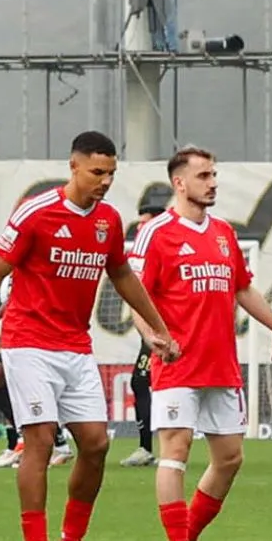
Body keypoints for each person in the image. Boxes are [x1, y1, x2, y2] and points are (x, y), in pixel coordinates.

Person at [0, 130, 179, 541]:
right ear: (74, 166)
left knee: (96, 444)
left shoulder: (108, 221)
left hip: (75, 345)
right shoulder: (37, 213)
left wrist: (157, 326)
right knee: (40, 441)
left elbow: (122, 276)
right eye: (97, 172)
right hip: (28, 343)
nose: (104, 181)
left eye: (111, 173)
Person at [130, 146, 272, 541]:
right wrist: (151, 336)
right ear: (179, 182)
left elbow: (243, 288)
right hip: (178, 362)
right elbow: (135, 295)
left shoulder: (223, 233)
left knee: (230, 458)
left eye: (215, 174)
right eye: (204, 175)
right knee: (176, 450)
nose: (213, 182)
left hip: (220, 363)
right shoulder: (156, 233)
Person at [0, 236, 73, 471]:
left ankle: (54, 445)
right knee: (0, 381)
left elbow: (11, 303)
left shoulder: (18, 268)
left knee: (1, 380)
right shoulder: (2, 278)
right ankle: (25, 441)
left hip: (34, 337)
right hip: (18, 338)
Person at [122, 200, 168, 468]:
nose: (140, 228)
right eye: (139, 224)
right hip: (151, 333)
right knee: (141, 382)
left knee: (149, 383)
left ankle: (159, 446)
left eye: (145, 223)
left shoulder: (164, 247)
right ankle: (147, 447)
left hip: (169, 331)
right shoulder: (141, 253)